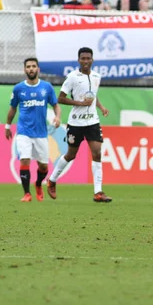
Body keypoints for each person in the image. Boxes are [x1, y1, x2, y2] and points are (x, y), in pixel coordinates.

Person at [47, 47, 112, 203]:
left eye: (88, 58)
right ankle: (52, 180)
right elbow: (60, 98)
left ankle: (98, 192)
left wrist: (101, 107)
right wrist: (80, 103)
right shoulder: (72, 77)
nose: (85, 61)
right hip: (76, 123)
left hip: (93, 122)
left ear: (92, 60)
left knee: (97, 152)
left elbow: (93, 96)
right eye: (82, 58)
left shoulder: (97, 76)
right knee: (71, 155)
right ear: (78, 60)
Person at [5, 58, 62, 202]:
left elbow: (56, 105)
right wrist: (7, 126)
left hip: (41, 133)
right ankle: (27, 194)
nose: (31, 69)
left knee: (43, 166)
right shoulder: (18, 88)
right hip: (24, 132)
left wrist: (58, 116)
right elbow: (13, 108)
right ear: (25, 70)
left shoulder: (46, 87)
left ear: (38, 69)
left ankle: (38, 184)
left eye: (33, 66)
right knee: (24, 160)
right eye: (28, 67)